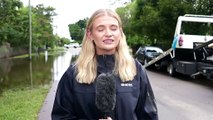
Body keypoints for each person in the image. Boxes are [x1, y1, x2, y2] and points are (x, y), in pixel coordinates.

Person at [51, 8, 158, 120]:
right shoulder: (73, 74)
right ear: (90, 34)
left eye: (113, 28)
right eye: (101, 29)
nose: (108, 34)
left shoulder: (136, 69)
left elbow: (149, 116)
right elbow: (61, 116)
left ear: (120, 33)